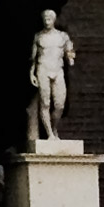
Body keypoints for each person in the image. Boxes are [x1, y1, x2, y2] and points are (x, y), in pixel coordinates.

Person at [28, 8, 75, 143]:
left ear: (54, 20)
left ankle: (54, 127)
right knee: (45, 102)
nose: (47, 21)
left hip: (57, 69)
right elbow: (34, 58)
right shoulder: (38, 36)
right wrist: (32, 73)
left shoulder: (63, 36)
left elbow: (70, 50)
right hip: (43, 69)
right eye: (45, 19)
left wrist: (71, 58)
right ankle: (50, 134)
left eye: (49, 18)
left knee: (60, 104)